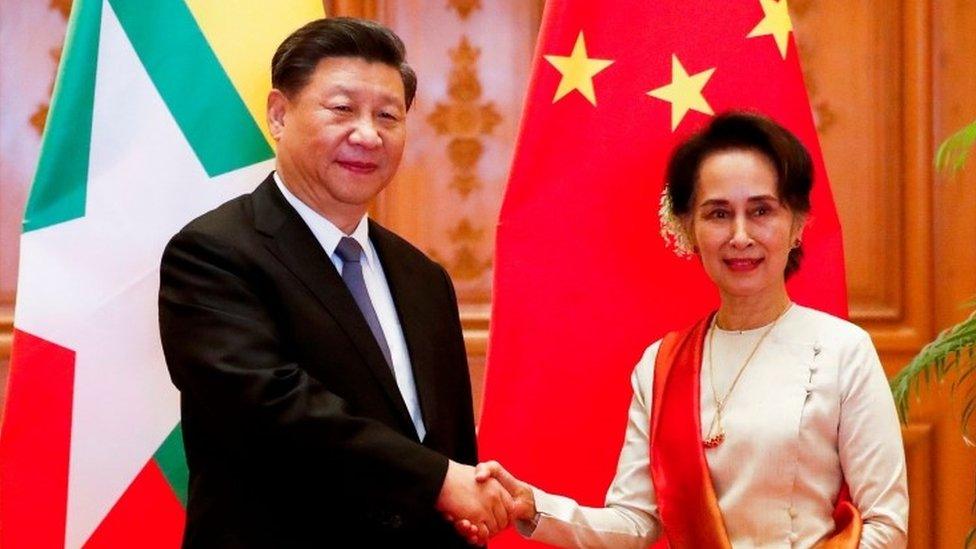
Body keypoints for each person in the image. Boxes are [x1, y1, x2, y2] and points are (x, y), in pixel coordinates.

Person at [460, 112, 909, 547]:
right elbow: (636, 524)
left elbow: (886, 525)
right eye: (718, 214)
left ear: (795, 224)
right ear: (688, 228)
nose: (740, 235)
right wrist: (532, 505)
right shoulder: (663, 364)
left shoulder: (842, 351)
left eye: (761, 211)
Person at [158, 17, 512, 547]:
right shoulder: (214, 254)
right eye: (342, 109)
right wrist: (437, 481)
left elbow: (450, 443)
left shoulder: (424, 278)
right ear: (280, 115)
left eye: (388, 115)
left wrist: (463, 496)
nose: (367, 134)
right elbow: (273, 410)